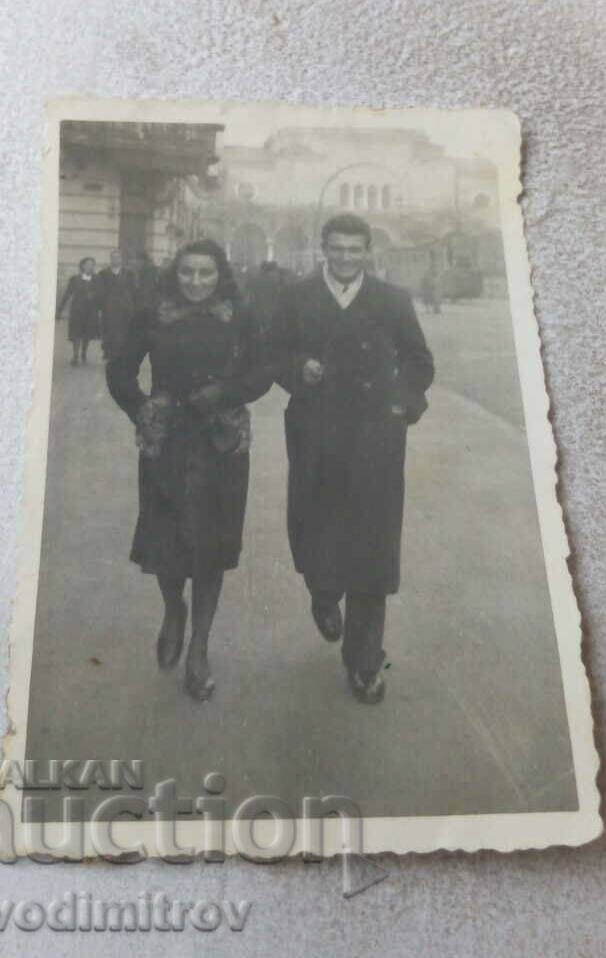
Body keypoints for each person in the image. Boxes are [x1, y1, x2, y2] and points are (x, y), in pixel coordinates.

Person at [270, 213, 434, 704]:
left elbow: (419, 361)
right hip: (315, 433)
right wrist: (299, 368)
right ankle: (322, 591)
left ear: (368, 251)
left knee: (373, 546)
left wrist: (400, 403)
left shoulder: (391, 300)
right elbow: (271, 354)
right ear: (323, 247)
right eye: (336, 248)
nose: (345, 257)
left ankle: (364, 661)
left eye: (354, 249)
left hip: (375, 438)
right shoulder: (296, 297)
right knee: (313, 526)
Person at [106, 240, 271, 701]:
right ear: (175, 275)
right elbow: (119, 372)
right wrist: (144, 410)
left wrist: (224, 394)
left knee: (212, 548)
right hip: (169, 444)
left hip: (222, 442)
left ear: (221, 275)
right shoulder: (153, 314)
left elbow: (263, 373)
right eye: (187, 273)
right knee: (167, 542)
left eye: (206, 273)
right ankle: (172, 610)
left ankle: (199, 649)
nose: (196, 282)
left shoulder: (241, 315)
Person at [56, 256, 101, 366]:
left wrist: (95, 295)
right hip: (77, 310)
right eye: (88, 264)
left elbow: (102, 293)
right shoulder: (75, 279)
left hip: (91, 311)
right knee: (76, 333)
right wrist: (59, 310)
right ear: (82, 266)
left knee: (87, 334)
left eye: (92, 265)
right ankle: (75, 355)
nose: (90, 267)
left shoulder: (97, 279)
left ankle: (84, 353)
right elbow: (67, 294)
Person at [97, 249, 136, 361]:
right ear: (110, 259)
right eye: (113, 257)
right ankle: (109, 352)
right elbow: (101, 291)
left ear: (121, 259)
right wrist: (101, 306)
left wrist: (132, 304)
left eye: (118, 257)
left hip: (125, 305)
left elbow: (133, 290)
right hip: (109, 305)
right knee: (110, 329)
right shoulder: (104, 273)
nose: (116, 260)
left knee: (124, 329)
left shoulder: (129, 273)